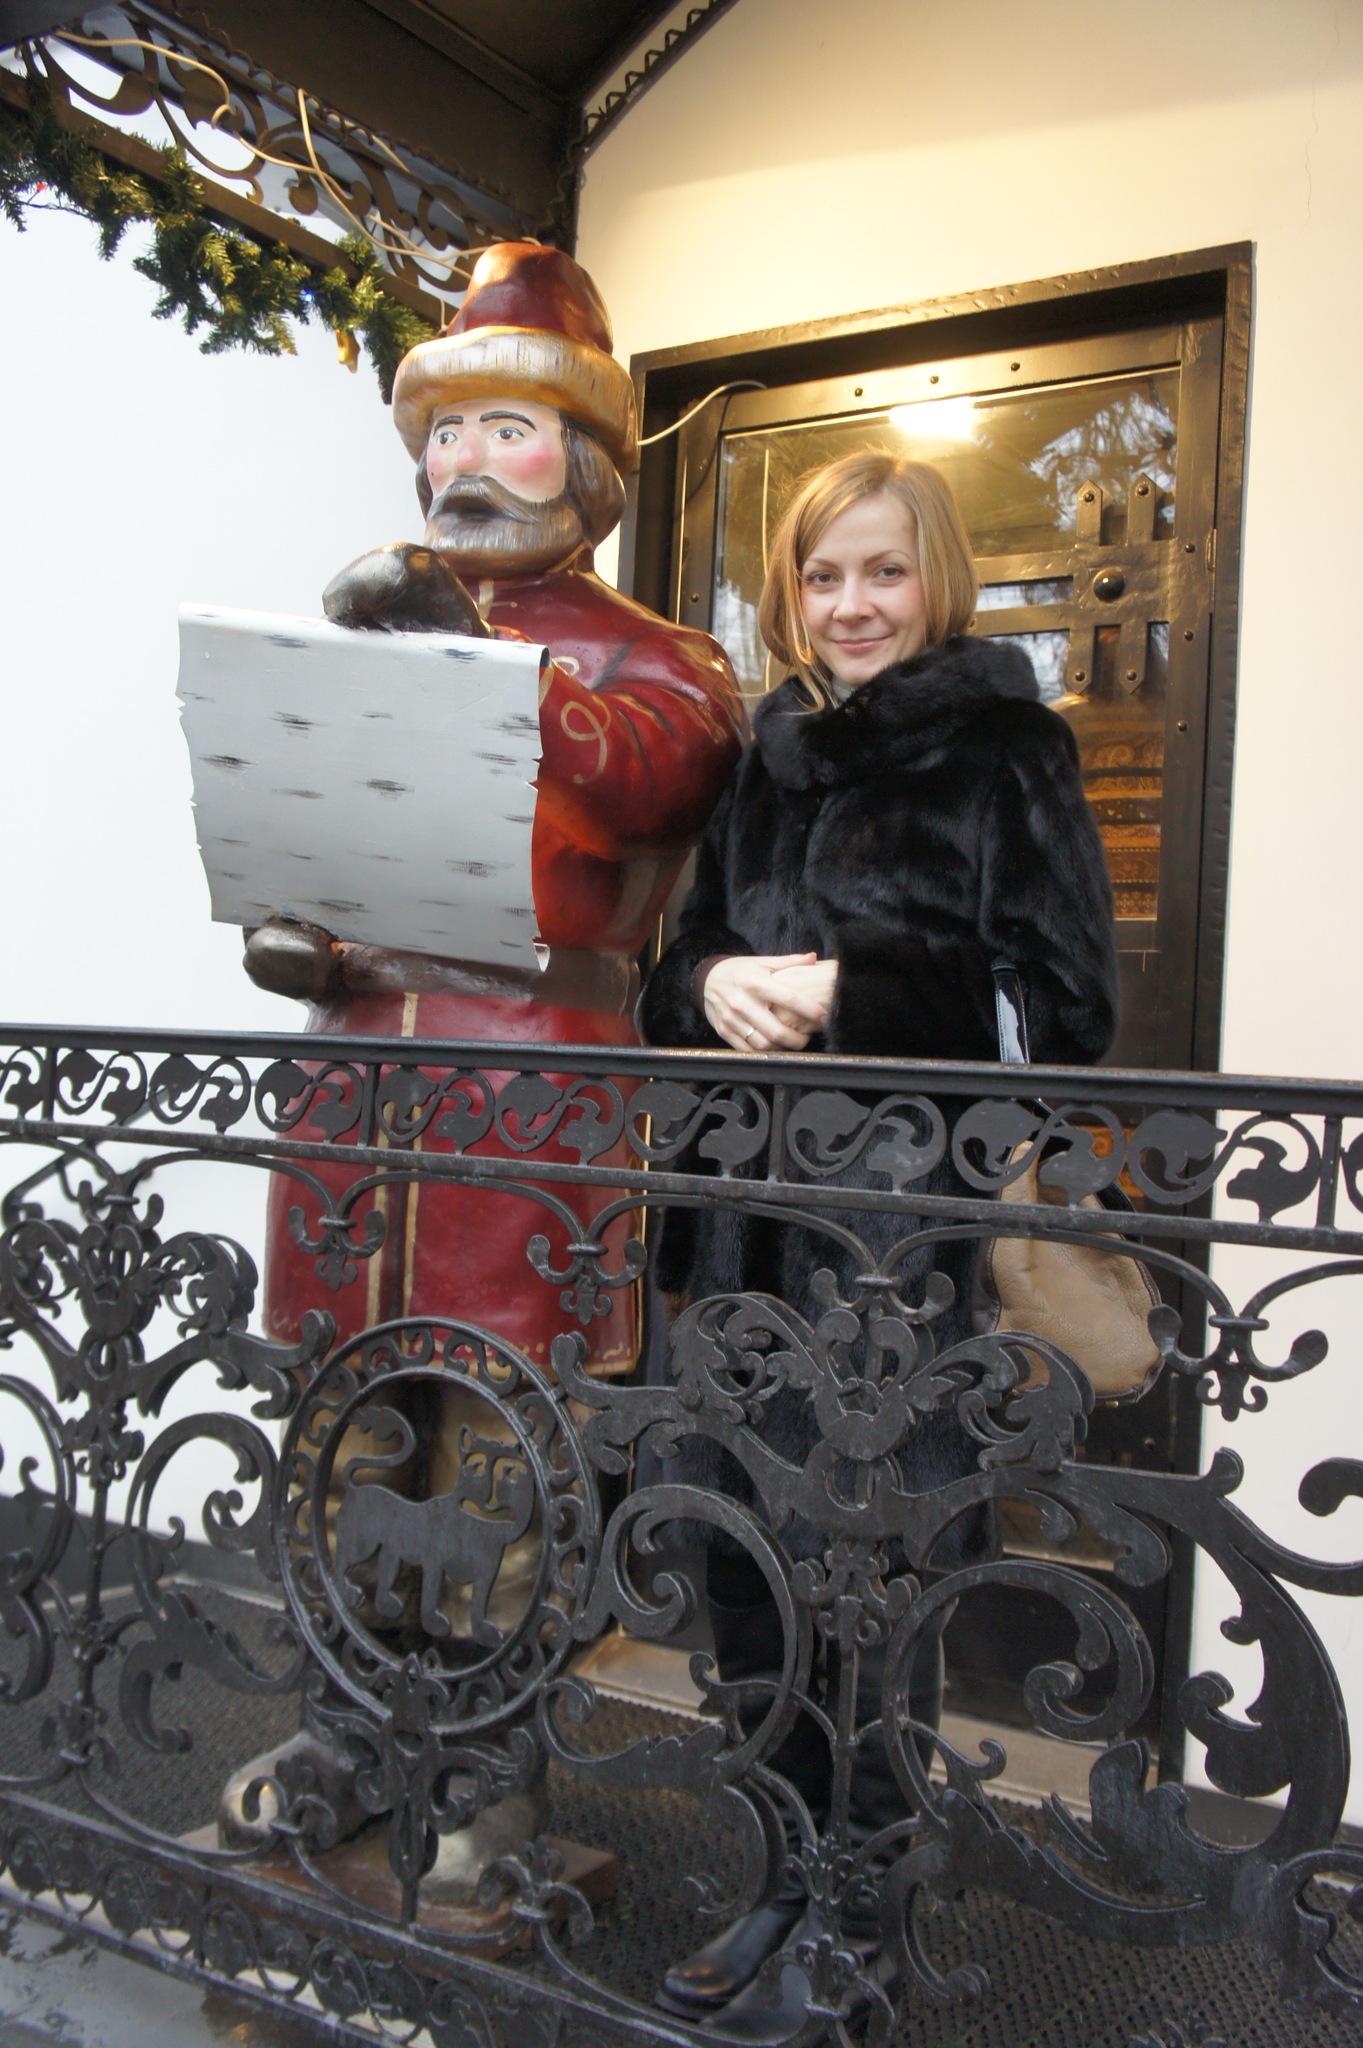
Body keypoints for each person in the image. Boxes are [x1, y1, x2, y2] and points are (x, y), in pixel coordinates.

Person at [219, 242, 746, 1859]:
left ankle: (486, 1778)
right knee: (346, 1421)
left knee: (505, 1434)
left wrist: (461, 647)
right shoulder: (365, 644)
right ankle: (342, 1733)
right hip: (356, 1077)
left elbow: (650, 778)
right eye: (446, 434)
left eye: (505, 432)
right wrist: (299, 921)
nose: (462, 463)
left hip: (532, 1081)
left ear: (584, 462)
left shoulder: (661, 656)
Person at [639, 450, 1119, 2035]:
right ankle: (783, 1873)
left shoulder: (1007, 748)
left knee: (877, 1581)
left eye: (884, 571)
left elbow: (1068, 1007)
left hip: (897, 1256)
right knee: (743, 1571)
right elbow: (676, 969)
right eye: (823, 573)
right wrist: (710, 984)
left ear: (937, 579)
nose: (851, 604)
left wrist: (859, 991)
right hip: (737, 1243)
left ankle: (864, 1908)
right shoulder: (765, 752)